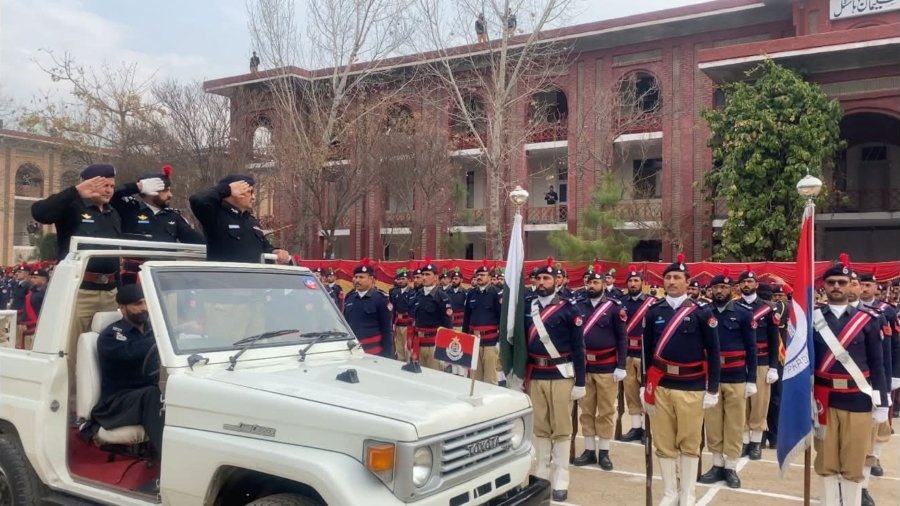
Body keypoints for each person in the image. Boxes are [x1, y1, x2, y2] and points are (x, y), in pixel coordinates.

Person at [31, 164, 160, 334]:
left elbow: (114, 254)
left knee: (104, 341)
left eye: (112, 186)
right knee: (74, 342)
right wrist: (76, 191)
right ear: (88, 184)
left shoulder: (113, 212)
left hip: (109, 292)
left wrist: (119, 289)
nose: (109, 190)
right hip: (80, 290)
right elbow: (39, 212)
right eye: (104, 185)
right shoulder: (72, 207)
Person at [641, 253, 720, 506]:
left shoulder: (702, 312)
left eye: (677, 277)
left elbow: (714, 352)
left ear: (688, 281)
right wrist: (644, 385)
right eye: (668, 277)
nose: (672, 281)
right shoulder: (654, 311)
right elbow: (646, 352)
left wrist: (713, 389)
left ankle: (687, 493)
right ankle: (670, 492)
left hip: (691, 386)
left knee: (689, 442)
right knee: (664, 442)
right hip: (661, 385)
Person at [811, 257, 887, 506]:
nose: (836, 286)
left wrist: (882, 402)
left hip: (858, 399)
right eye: (831, 282)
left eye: (842, 282)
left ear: (850, 285)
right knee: (826, 462)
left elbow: (878, 364)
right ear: (824, 285)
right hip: (824, 401)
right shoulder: (813, 319)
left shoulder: (868, 320)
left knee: (854, 463)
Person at [86, 284, 163, 493]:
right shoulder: (111, 336)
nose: (144, 307)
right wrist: (163, 337)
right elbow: (132, 353)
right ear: (122, 307)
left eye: (146, 302)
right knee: (154, 395)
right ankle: (167, 468)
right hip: (116, 403)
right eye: (137, 304)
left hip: (143, 399)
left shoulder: (152, 331)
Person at [525, 257, 585, 502]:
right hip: (536, 374)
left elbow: (579, 348)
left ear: (556, 282)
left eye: (546, 278)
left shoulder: (569, 309)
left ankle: (561, 476)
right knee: (540, 427)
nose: (542, 282)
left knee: (561, 428)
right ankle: (541, 473)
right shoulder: (527, 307)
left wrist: (580, 381)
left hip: (560, 374)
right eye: (538, 278)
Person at [699, 271, 757, 489]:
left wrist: (752, 379)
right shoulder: (704, 313)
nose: (720, 291)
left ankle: (731, 466)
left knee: (734, 423)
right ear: (711, 290)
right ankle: (717, 464)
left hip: (736, 376)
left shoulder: (743, 313)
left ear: (732, 289)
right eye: (716, 288)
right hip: (712, 378)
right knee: (713, 422)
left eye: (724, 287)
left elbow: (751, 348)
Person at [572, 265, 626, 471]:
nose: (591, 286)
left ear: (604, 284)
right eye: (589, 282)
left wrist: (621, 365)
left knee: (605, 410)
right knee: (586, 410)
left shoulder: (614, 307)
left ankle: (604, 452)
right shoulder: (578, 305)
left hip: (606, 367)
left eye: (596, 282)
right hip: (585, 367)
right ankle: (589, 450)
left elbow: (622, 338)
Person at [113, 164, 204, 283]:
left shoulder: (173, 216)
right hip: (134, 277)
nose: (170, 195)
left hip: (164, 277)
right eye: (165, 191)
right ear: (150, 191)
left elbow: (195, 240)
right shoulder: (129, 209)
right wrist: (137, 187)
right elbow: (111, 195)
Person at [189, 174, 290, 264]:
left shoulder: (251, 221)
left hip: (252, 276)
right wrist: (226, 189)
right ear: (233, 193)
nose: (253, 197)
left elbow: (264, 248)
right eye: (249, 192)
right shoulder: (215, 215)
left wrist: (275, 252)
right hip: (225, 276)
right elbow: (197, 199)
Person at [735, 269, 780, 460]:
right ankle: (745, 442)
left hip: (762, 361)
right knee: (741, 403)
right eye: (743, 282)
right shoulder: (733, 307)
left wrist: (773, 366)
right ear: (739, 285)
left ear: (756, 284)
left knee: (760, 403)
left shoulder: (768, 308)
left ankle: (756, 443)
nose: (746, 285)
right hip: (739, 361)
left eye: (750, 282)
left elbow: (774, 339)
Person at [619, 266, 654, 443]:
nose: (633, 284)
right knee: (630, 391)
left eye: (636, 281)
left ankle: (648, 429)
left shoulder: (652, 303)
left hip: (644, 354)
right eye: (630, 281)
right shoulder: (620, 302)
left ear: (642, 283)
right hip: (627, 353)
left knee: (645, 392)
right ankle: (636, 427)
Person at [462, 260, 502, 384]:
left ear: (489, 277)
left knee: (490, 378)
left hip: (490, 341)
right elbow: (466, 318)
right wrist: (465, 338)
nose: (479, 277)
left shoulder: (497, 293)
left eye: (483, 275)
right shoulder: (471, 293)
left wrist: (500, 342)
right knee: (475, 378)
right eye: (478, 275)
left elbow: (502, 318)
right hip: (474, 341)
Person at [343, 258, 393, 358]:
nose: (357, 280)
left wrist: (387, 355)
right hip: (353, 350)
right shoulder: (350, 298)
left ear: (371, 279)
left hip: (373, 352)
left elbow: (386, 330)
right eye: (355, 277)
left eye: (361, 277)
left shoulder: (380, 299)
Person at [410, 258, 452, 370]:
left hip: (434, 345)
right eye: (423, 274)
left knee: (434, 376)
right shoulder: (417, 295)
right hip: (418, 343)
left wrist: (445, 349)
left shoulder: (442, 297)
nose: (424, 277)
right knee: (418, 375)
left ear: (436, 277)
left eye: (428, 274)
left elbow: (447, 325)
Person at [19, 268, 50, 349]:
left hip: (36, 327)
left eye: (35, 278)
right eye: (32, 277)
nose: (32, 279)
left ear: (44, 280)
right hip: (27, 327)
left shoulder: (46, 293)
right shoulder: (32, 291)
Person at [389, 268, 415, 362]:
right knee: (398, 346)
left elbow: (412, 308)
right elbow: (392, 308)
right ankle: (400, 363)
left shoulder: (412, 292)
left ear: (408, 280)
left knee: (407, 347)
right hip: (397, 322)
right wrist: (392, 322)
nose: (400, 281)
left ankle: (408, 363)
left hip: (408, 324)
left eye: (403, 279)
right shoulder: (395, 292)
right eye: (399, 279)